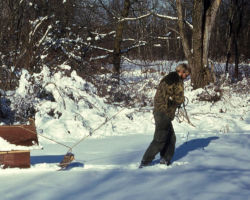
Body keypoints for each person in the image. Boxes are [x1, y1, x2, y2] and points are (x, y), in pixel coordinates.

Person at [139, 63, 191, 168]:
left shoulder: (167, 78)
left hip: (160, 111)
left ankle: (165, 159)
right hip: (164, 113)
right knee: (160, 139)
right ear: (181, 72)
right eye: (186, 75)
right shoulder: (177, 81)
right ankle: (145, 161)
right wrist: (180, 101)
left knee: (171, 138)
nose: (186, 77)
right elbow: (179, 98)